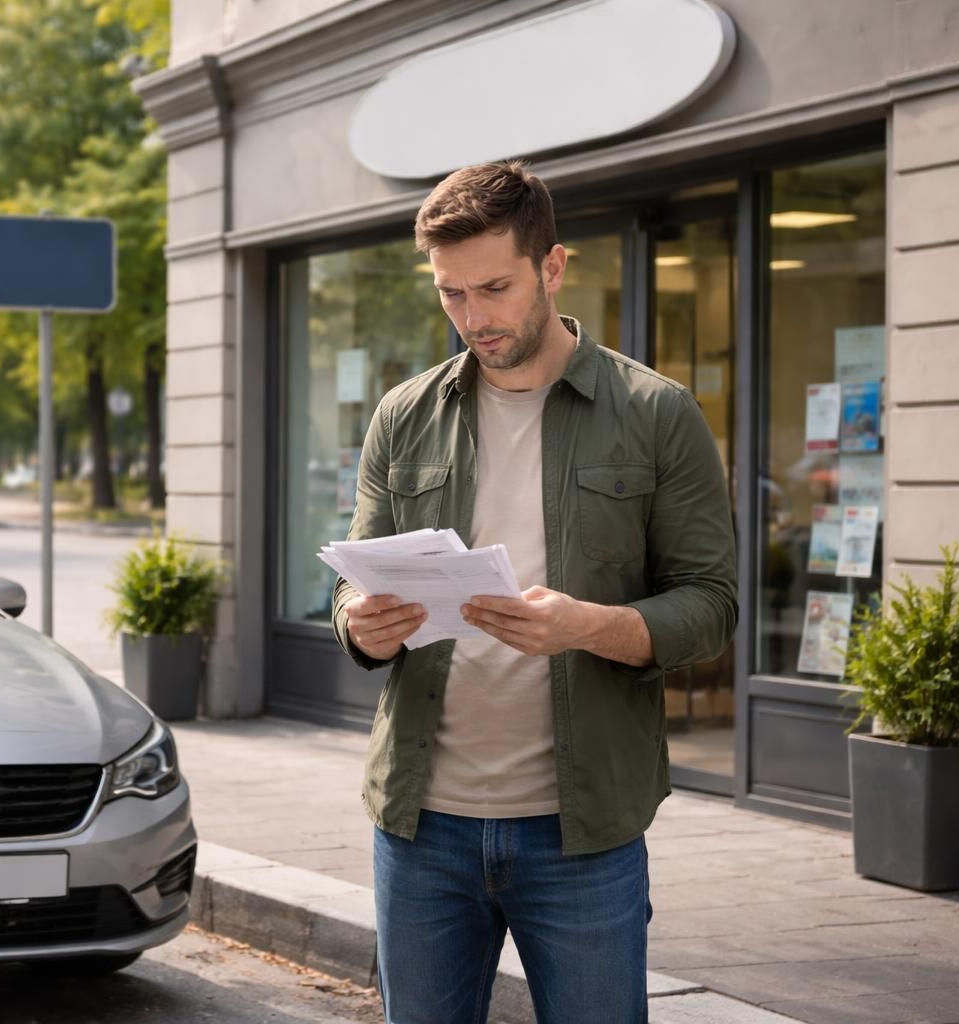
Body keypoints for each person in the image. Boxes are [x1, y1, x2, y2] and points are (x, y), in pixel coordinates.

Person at [331, 161, 737, 1023]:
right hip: (420, 829)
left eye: (495, 287)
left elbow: (711, 605)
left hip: (580, 833)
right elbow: (354, 596)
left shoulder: (657, 413)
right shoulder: (403, 416)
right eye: (451, 294)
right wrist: (366, 627)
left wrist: (590, 625)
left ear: (553, 268)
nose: (473, 317)